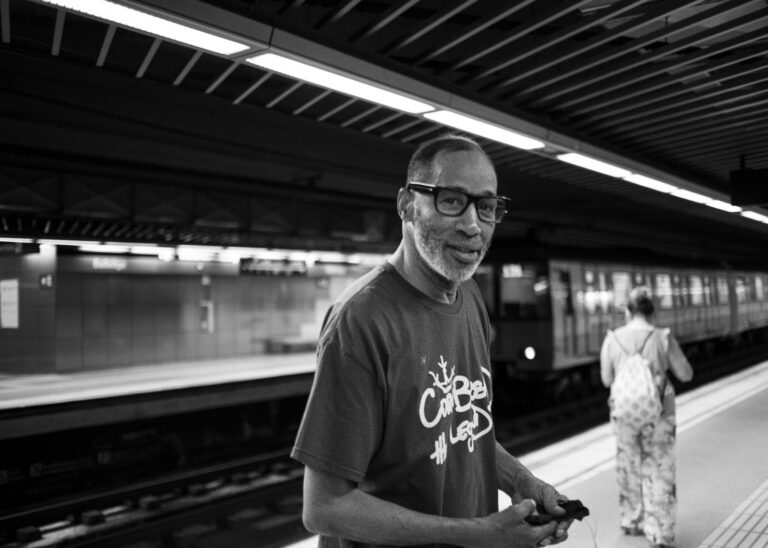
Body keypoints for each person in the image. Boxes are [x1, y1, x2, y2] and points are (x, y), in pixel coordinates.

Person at [291, 134, 574, 548]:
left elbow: (464, 431)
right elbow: (324, 508)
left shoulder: (470, 297)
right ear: (407, 204)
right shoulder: (362, 320)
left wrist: (520, 481)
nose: (473, 224)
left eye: (487, 206)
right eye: (451, 200)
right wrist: (477, 536)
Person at [600, 286, 693, 548]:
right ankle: (659, 532)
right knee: (660, 469)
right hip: (660, 414)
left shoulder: (613, 339)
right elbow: (686, 373)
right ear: (652, 312)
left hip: (624, 414)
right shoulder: (662, 337)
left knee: (628, 465)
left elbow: (607, 379)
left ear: (628, 311)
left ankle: (632, 520)